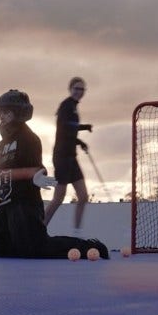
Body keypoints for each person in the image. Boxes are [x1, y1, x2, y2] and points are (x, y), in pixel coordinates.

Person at [0, 89, 107, 259]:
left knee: (35, 248)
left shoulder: (28, 139)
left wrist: (37, 177)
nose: (1, 116)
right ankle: (23, 245)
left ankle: (87, 247)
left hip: (25, 204)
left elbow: (37, 168)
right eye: (0, 112)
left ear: (19, 114)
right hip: (6, 206)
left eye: (6, 112)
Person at [43, 77, 93, 231]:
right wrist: (80, 142)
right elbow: (64, 130)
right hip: (62, 157)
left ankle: (77, 234)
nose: (79, 92)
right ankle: (39, 229)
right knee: (58, 198)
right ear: (70, 89)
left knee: (83, 196)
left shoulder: (73, 107)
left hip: (72, 157)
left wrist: (84, 128)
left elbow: (72, 127)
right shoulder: (66, 106)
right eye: (76, 88)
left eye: (82, 89)